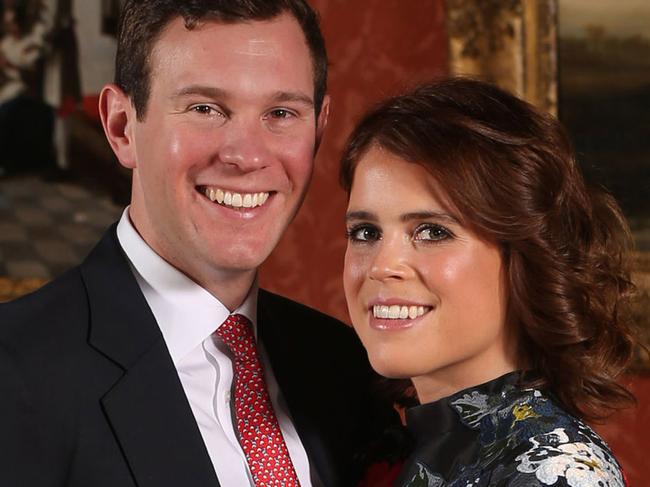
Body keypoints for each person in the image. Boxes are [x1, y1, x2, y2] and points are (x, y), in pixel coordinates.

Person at [0, 1, 396, 486]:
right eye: (205, 108)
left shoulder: (342, 364)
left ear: (319, 127)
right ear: (121, 126)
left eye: (280, 112)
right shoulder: (14, 372)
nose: (247, 155)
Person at [340, 78, 636, 486]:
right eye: (366, 233)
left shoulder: (555, 473)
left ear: (522, 255)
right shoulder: (382, 448)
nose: (381, 266)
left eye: (432, 231)